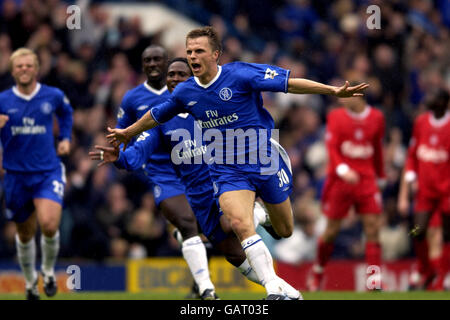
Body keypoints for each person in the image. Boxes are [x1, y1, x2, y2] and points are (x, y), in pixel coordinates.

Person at [106, 26, 368, 299]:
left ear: (215, 54)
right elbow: (156, 115)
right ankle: (274, 289)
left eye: (199, 51)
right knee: (239, 224)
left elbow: (290, 83)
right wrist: (127, 132)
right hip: (227, 168)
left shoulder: (240, 74)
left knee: (285, 231)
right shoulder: (186, 92)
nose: (192, 57)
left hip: (263, 159)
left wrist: (333, 91)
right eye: (189, 51)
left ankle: (262, 215)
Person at [91, 57, 301, 299]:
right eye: (171, 75)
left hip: (224, 182)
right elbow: (137, 155)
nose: (175, 79)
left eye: (182, 74)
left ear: (192, 78)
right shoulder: (160, 121)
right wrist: (119, 157)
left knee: (232, 223)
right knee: (234, 255)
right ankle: (289, 291)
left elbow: (245, 123)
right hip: (198, 197)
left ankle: (258, 221)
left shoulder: (205, 106)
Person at [114, 46, 216, 299]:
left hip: (194, 167)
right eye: (147, 60)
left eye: (157, 59)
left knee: (209, 231)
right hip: (161, 172)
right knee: (187, 223)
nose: (152, 64)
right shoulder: (132, 98)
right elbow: (121, 136)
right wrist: (124, 158)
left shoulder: (190, 92)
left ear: (168, 64)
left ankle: (199, 282)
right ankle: (206, 290)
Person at [0, 48, 73, 300]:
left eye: (28, 65)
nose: (24, 69)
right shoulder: (2, 100)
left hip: (47, 172)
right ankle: (31, 282)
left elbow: (66, 113)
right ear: (12, 70)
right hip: (15, 176)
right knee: (24, 233)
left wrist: (64, 138)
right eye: (19, 66)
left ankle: (49, 272)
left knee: (50, 224)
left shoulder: (52, 95)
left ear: (37, 68)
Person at [307, 85, 386, 291]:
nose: (341, 96)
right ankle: (317, 272)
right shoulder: (335, 116)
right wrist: (342, 169)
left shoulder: (377, 117)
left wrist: (382, 175)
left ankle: (373, 281)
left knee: (372, 229)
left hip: (367, 180)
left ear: (357, 96)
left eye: (346, 93)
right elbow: (331, 146)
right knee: (331, 231)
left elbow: (377, 148)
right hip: (341, 181)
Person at [397, 89, 450, 290]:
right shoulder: (421, 122)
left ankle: (442, 278)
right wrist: (411, 174)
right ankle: (426, 268)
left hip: (446, 191)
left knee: (446, 234)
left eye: (435, 97)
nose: (429, 100)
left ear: (445, 103)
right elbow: (412, 152)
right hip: (426, 192)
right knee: (417, 231)